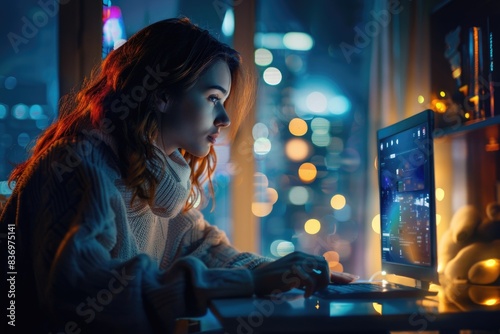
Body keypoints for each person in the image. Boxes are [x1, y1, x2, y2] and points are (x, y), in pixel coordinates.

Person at [0, 17, 357, 333]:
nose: (225, 119)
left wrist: (289, 274)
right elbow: (83, 296)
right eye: (214, 97)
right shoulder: (78, 164)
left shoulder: (154, 176)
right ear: (161, 95)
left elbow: (209, 253)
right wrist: (253, 281)